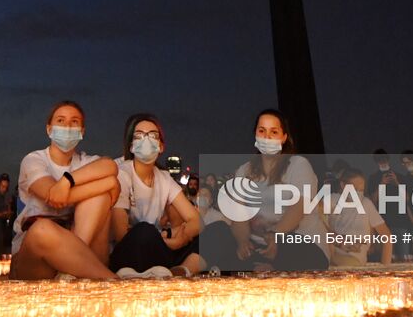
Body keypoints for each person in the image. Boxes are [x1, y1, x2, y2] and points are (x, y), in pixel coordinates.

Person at [202, 108, 330, 272]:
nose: (267, 136)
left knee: (290, 243)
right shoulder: (245, 171)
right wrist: (242, 242)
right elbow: (239, 216)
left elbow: (298, 208)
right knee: (218, 230)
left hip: (298, 241)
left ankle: (270, 268)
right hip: (258, 245)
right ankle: (184, 271)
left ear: (284, 137)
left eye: (274, 132)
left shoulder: (298, 165)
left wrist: (276, 235)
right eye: (262, 131)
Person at [10, 100, 119, 280]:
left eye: (74, 121)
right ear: (49, 129)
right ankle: (113, 282)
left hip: (84, 247)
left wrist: (67, 181)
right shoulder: (34, 160)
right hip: (37, 257)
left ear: (82, 131)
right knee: (42, 229)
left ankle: (69, 271)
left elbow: (110, 166)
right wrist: (107, 184)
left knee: (99, 197)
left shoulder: (85, 161)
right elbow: (54, 196)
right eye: (60, 121)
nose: (67, 126)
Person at [108, 113, 206, 277]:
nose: (146, 140)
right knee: (144, 231)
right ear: (131, 146)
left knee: (215, 233)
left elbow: (196, 220)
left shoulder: (164, 178)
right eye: (139, 136)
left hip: (160, 248)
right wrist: (163, 235)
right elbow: (120, 234)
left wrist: (179, 238)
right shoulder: (122, 173)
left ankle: (180, 271)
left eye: (153, 135)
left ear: (161, 146)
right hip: (129, 251)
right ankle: (158, 271)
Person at [328, 169, 393, 266]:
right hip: (330, 255)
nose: (358, 193)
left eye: (361, 190)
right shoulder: (332, 199)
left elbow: (387, 236)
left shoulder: (366, 204)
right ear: (342, 185)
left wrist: (385, 269)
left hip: (353, 260)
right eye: (354, 189)